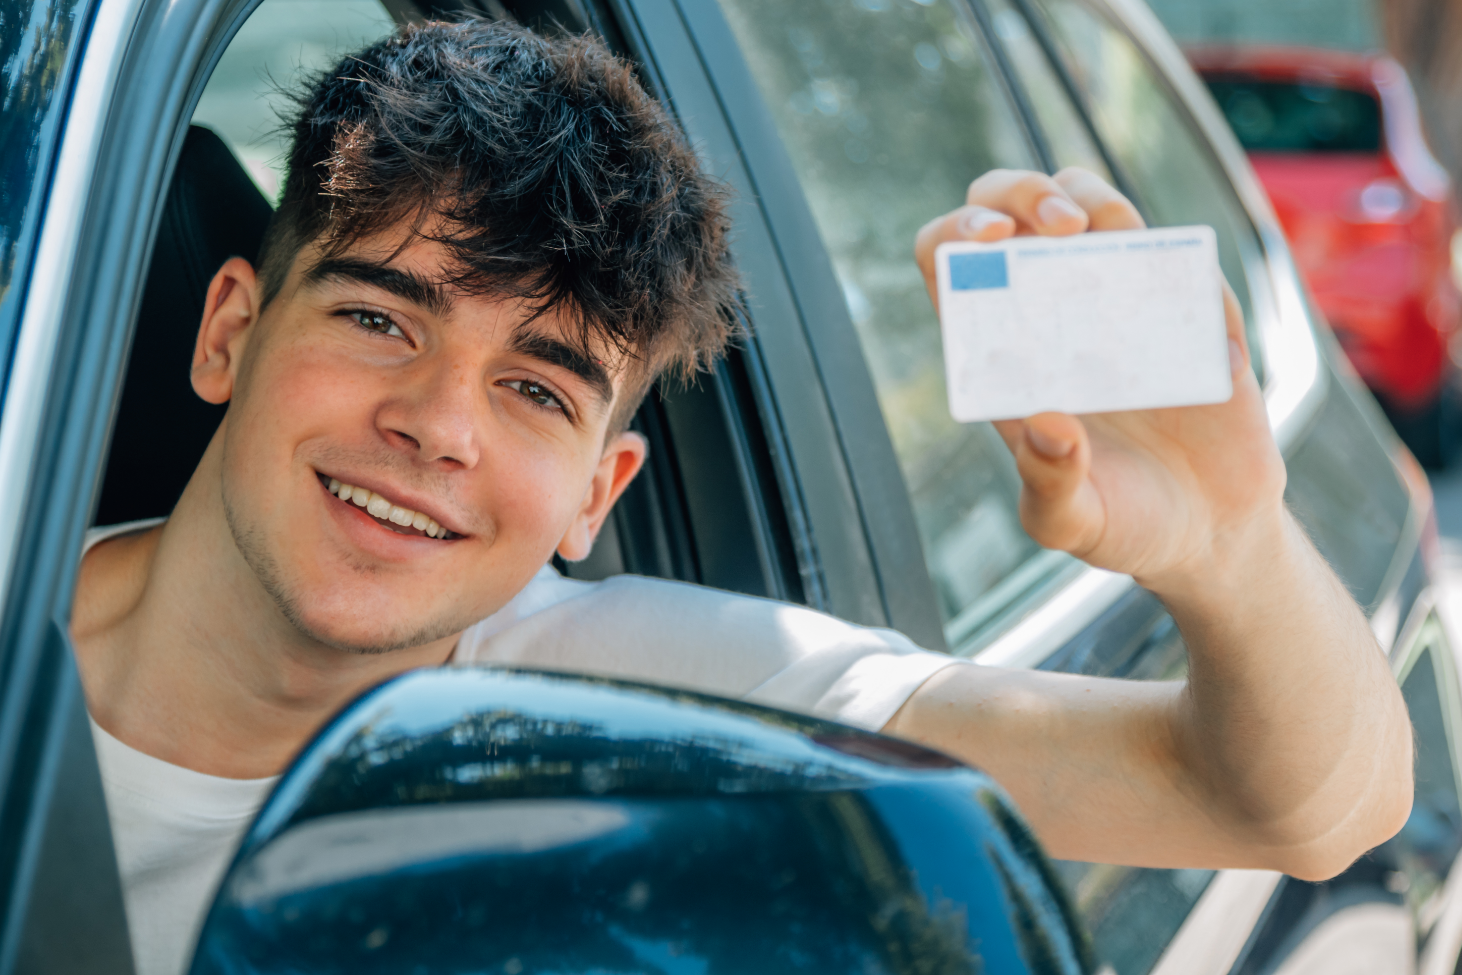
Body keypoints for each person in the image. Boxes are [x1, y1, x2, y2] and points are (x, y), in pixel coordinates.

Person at [70, 18, 1413, 975]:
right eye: (379, 320)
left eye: (535, 391)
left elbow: (1300, 810)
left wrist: (1228, 544)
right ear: (229, 332)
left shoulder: (628, 705)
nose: (436, 427)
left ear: (599, 496)